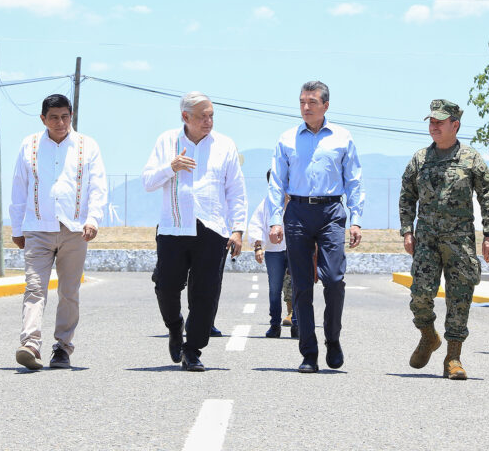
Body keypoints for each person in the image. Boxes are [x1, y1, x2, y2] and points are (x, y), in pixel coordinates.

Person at [142, 91, 247, 372]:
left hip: (213, 229)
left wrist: (237, 230)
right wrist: (171, 167)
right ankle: (175, 327)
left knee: (205, 293)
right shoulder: (167, 141)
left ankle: (193, 349)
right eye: (203, 116)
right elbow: (148, 181)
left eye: (212, 115)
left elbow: (236, 191)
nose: (209, 121)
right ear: (185, 117)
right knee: (166, 285)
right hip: (173, 227)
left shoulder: (225, 145)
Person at [268, 81, 365, 373]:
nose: (306, 107)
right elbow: (276, 182)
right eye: (301, 102)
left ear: (325, 105)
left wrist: (356, 218)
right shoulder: (286, 139)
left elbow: (354, 180)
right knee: (300, 284)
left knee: (334, 279)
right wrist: (275, 218)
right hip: (296, 210)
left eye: (312, 102)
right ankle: (309, 353)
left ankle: (332, 339)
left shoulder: (342, 137)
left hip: (331, 211)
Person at [399, 99, 489, 380]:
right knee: (420, 294)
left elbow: (488, 196)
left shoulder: (470, 158)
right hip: (426, 240)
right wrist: (407, 230)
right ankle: (429, 336)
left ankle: (453, 358)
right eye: (431, 122)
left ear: (455, 125)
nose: (434, 126)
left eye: (439, 122)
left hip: (460, 241)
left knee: (459, 299)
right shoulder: (420, 159)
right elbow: (407, 196)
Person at [9, 94, 107, 370]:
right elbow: (19, 187)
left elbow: (97, 187)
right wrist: (17, 227)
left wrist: (93, 219)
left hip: (75, 230)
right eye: (54, 117)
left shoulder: (88, 146)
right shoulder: (29, 145)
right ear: (43, 119)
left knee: (69, 291)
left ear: (71, 116)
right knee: (35, 288)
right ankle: (30, 344)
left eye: (65, 116)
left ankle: (63, 347)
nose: (60, 122)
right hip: (38, 229)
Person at [248, 171, 298, 338]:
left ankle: (297, 324)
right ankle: (274, 325)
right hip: (274, 252)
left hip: (295, 251)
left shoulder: (297, 202)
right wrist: (258, 247)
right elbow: (256, 224)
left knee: (298, 287)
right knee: (274, 289)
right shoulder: (267, 203)